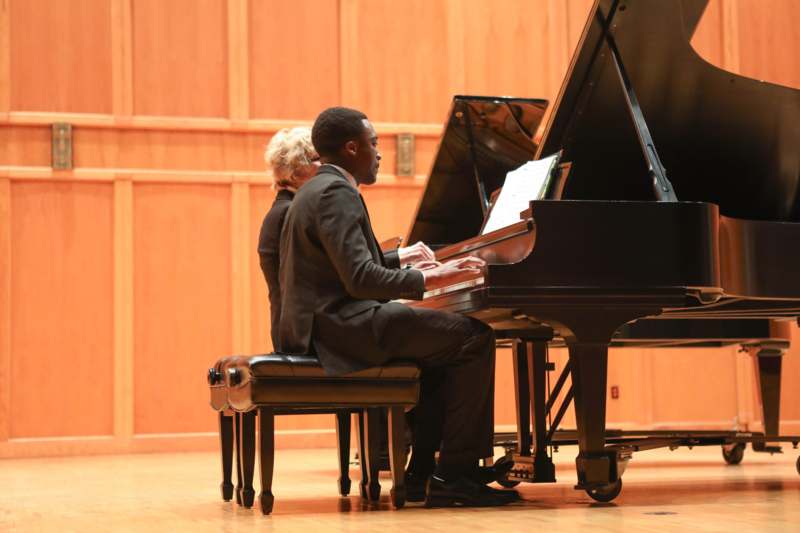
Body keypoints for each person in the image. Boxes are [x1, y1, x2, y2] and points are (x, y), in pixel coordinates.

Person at [278, 107, 516, 507]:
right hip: (342, 327)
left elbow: (343, 268)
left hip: (324, 323)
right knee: (474, 338)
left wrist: (405, 262)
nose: (378, 153)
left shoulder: (315, 189)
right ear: (351, 147)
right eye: (373, 143)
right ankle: (454, 475)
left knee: (442, 348)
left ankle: (425, 472)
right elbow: (361, 280)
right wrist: (437, 277)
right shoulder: (338, 192)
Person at [258, 127, 435, 351]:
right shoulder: (290, 212)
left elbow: (335, 264)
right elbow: (343, 271)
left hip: (302, 329)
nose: (328, 165)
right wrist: (418, 274)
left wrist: (399, 257)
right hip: (309, 333)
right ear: (294, 173)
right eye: (318, 160)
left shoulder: (288, 206)